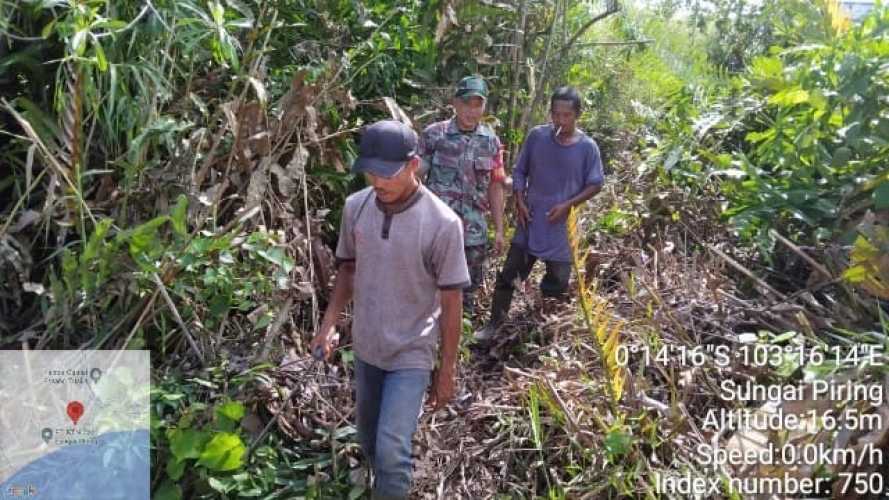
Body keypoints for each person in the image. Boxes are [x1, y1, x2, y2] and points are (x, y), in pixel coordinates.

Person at [310, 120, 469, 500]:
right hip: (367, 346)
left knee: (392, 450)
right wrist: (329, 324)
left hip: (411, 352)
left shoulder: (442, 224)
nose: (377, 183)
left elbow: (451, 303)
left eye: (387, 174)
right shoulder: (356, 208)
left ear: (413, 165)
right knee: (368, 440)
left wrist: (446, 370)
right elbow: (347, 269)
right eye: (369, 172)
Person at [474, 86, 604, 341]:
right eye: (556, 114)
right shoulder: (537, 137)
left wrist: (569, 204)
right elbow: (520, 171)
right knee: (509, 275)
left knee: (556, 284)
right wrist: (519, 200)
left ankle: (544, 337)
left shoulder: (588, 148)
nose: (560, 121)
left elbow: (596, 183)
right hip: (530, 220)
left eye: (566, 116)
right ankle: (493, 327)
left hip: (562, 228)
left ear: (577, 115)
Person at [419, 75, 506, 318]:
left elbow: (495, 186)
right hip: (436, 230)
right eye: (466, 103)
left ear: (484, 107)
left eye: (477, 104)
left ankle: (458, 349)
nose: (471, 110)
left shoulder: (491, 142)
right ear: (455, 103)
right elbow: (414, 177)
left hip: (473, 234)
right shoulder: (435, 135)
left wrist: (498, 229)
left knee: (466, 296)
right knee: (430, 291)